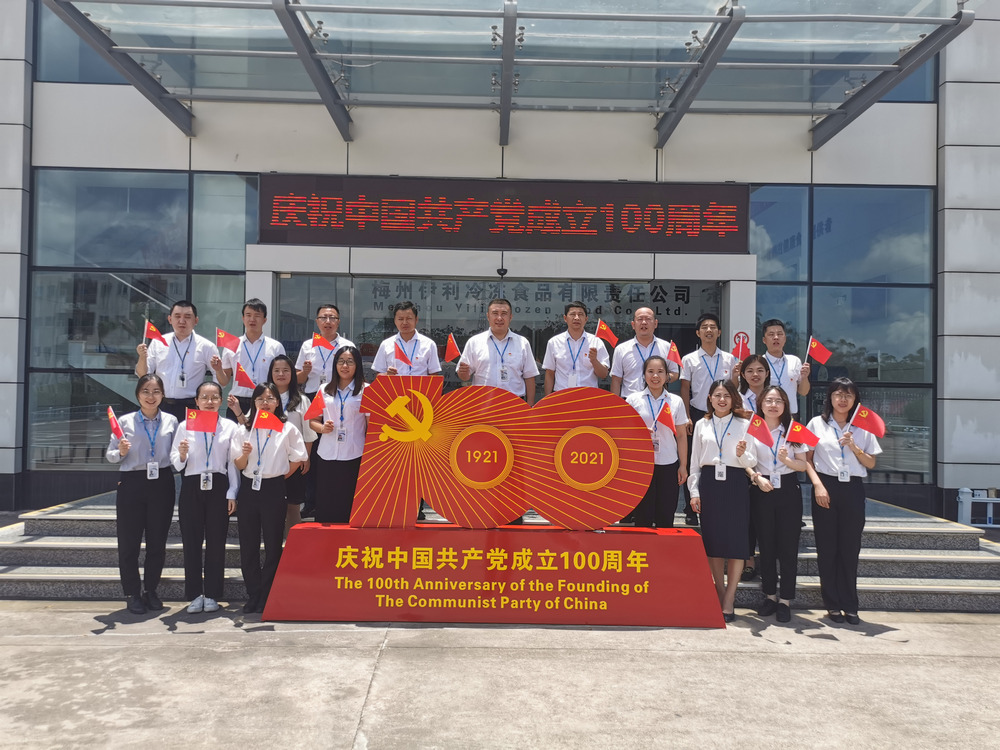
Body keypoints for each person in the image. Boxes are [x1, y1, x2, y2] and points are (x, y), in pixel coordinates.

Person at [806, 377, 881, 626]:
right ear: (830, 397)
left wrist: (855, 447)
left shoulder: (863, 426)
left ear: (855, 399)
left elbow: (871, 462)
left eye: (848, 395)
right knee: (827, 548)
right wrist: (818, 485)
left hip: (852, 489)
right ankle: (832, 603)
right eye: (838, 394)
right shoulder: (817, 423)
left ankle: (850, 605)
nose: (842, 399)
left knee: (850, 548)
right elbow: (807, 459)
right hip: (825, 486)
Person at [231, 382, 308, 614]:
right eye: (260, 399)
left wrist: (280, 476)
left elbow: (299, 457)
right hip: (249, 488)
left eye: (270, 398)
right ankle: (253, 593)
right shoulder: (244, 430)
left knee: (273, 543)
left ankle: (266, 594)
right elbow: (239, 465)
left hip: (274, 487)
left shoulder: (287, 428)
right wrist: (245, 455)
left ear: (277, 402)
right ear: (254, 402)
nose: (265, 403)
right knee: (248, 544)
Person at [105, 374, 178, 615]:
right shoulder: (124, 422)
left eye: (156, 391)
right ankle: (132, 593)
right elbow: (110, 455)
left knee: (157, 542)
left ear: (163, 395)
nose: (151, 396)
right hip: (132, 483)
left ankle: (151, 590)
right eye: (146, 391)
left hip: (162, 482)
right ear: (138, 394)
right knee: (129, 542)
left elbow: (176, 456)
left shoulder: (171, 421)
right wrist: (120, 451)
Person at [687, 379, 756, 622]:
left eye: (727, 395)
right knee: (713, 542)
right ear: (710, 399)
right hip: (709, 484)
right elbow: (694, 463)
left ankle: (730, 598)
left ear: (734, 398)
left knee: (737, 543)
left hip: (736, 483)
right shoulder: (701, 424)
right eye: (717, 395)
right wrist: (694, 492)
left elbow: (752, 460)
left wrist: (742, 455)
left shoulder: (744, 424)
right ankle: (719, 591)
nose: (722, 400)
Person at [170, 381, 240, 614]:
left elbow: (232, 463)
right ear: (196, 401)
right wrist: (182, 454)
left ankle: (212, 593)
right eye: (204, 397)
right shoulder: (185, 426)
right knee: (191, 541)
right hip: (192, 484)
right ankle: (194, 594)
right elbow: (176, 461)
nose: (209, 402)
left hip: (219, 485)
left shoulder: (229, 427)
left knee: (216, 541)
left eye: (214, 397)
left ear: (221, 400)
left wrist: (232, 492)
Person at [745, 386, 811, 623]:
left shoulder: (794, 430)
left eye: (778, 401)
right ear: (761, 404)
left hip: (788, 490)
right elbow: (745, 460)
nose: (773, 405)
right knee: (766, 545)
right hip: (762, 488)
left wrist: (787, 461)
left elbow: (803, 465)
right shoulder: (753, 429)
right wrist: (756, 477)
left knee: (788, 547)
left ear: (785, 405)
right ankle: (770, 596)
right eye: (769, 401)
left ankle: (785, 600)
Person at [679, 313, 738, 525]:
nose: (709, 330)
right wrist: (686, 416)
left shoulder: (730, 359)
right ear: (698, 333)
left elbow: (733, 389)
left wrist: (736, 376)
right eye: (704, 327)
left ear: (719, 332)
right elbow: (685, 388)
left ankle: (717, 503)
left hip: (723, 414)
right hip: (697, 413)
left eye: (713, 327)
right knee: (694, 459)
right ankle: (690, 508)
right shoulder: (689, 359)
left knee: (720, 455)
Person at [625, 356, 688, 528]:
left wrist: (683, 465)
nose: (655, 376)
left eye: (660, 372)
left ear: (667, 376)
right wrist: (640, 432)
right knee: (642, 517)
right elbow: (624, 433)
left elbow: (681, 436)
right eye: (650, 371)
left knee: (665, 517)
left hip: (668, 462)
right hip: (641, 464)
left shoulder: (675, 401)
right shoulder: (633, 400)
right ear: (644, 375)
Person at [135, 300, 222, 421]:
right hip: (162, 405)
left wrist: (210, 401)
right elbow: (143, 375)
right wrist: (142, 357)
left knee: (190, 435)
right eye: (177, 316)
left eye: (187, 317)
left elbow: (218, 376)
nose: (182, 321)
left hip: (192, 407)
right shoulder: (158, 342)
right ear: (170, 319)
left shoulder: (206, 346)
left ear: (196, 321)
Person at [310, 346, 368, 523]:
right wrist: (322, 428)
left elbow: (371, 426)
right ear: (335, 365)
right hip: (327, 454)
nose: (345, 366)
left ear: (357, 365)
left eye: (350, 361)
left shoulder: (366, 390)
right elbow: (313, 421)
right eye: (341, 361)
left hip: (354, 454)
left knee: (350, 506)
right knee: (327, 504)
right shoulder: (323, 389)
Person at [267, 355, 317, 534]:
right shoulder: (263, 397)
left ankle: (291, 546)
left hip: (294, 461)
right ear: (271, 373)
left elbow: (308, 432)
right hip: (269, 459)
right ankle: (272, 545)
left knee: (293, 505)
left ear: (292, 374)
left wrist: (306, 457)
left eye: (285, 370)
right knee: (270, 505)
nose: (281, 374)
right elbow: (251, 424)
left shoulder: (302, 400)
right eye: (277, 370)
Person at [456, 298, 539, 403]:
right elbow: (464, 377)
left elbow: (529, 377)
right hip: (483, 403)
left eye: (504, 314)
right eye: (495, 313)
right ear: (488, 316)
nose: (499, 318)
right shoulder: (474, 342)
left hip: (514, 404)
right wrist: (463, 373)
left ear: (510, 317)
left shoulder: (522, 343)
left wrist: (530, 406)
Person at [220, 298, 286, 421]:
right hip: (237, 402)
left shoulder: (275, 346)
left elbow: (281, 377)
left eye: (257, 315)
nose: (252, 319)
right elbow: (224, 381)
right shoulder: (231, 345)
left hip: (265, 402)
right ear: (243, 318)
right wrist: (218, 369)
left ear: (264, 320)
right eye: (248, 315)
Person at [736, 353, 772, 580]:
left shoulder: (775, 396)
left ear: (767, 373)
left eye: (759, 370)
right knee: (746, 514)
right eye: (749, 371)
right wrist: (738, 413)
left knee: (767, 515)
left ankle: (768, 560)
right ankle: (748, 559)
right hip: (743, 460)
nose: (755, 374)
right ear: (742, 374)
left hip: (770, 461)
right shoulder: (737, 398)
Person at [542, 301, 610, 396]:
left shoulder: (596, 342)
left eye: (580, 314)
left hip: (588, 396)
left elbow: (603, 374)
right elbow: (549, 373)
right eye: (572, 314)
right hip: (562, 396)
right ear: (565, 318)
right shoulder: (554, 342)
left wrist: (594, 361)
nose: (576, 318)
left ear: (586, 319)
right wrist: (547, 400)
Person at [610, 307, 680, 399]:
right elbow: (616, 380)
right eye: (640, 319)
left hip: (658, 400)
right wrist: (614, 404)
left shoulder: (667, 347)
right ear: (633, 324)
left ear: (655, 323)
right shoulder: (621, 349)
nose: (644, 322)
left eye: (648, 319)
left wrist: (661, 377)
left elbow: (675, 373)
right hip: (630, 401)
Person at [296, 304, 355, 398]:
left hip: (339, 395)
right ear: (317, 321)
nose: (328, 321)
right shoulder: (307, 345)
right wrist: (305, 372)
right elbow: (298, 380)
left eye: (332, 318)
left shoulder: (347, 346)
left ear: (338, 322)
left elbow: (355, 374)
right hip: (313, 395)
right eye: (323, 318)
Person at [371, 301, 442, 376]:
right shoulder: (386, 344)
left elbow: (434, 374)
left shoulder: (429, 344)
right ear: (395, 321)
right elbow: (378, 374)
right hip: (394, 384)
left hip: (419, 384)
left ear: (416, 320)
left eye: (409, 318)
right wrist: (387, 374)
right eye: (400, 319)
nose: (405, 322)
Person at [761, 318, 811, 419]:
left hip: (790, 415)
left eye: (780, 334)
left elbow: (803, 392)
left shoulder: (794, 361)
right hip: (766, 415)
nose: (776, 337)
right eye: (771, 334)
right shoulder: (759, 362)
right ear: (764, 340)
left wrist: (805, 377)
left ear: (785, 339)